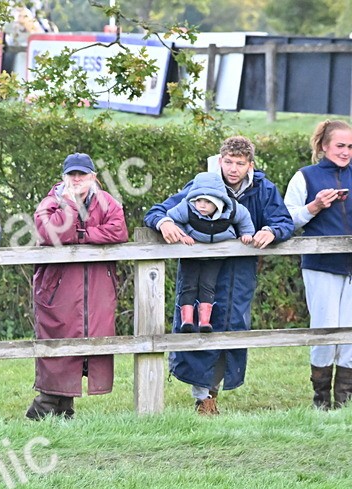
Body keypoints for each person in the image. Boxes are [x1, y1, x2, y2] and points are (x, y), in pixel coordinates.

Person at [144, 135, 293, 415]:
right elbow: (158, 211)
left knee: (231, 326)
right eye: (228, 162)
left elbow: (283, 221)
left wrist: (271, 231)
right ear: (220, 160)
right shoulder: (203, 184)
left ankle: (212, 393)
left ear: (250, 165)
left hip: (240, 272)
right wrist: (164, 223)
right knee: (197, 325)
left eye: (240, 163)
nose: (233, 169)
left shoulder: (263, 189)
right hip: (200, 272)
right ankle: (202, 397)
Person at [28, 153, 129, 420]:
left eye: (82, 174)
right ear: (63, 177)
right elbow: (51, 233)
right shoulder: (51, 202)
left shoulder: (107, 202)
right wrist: (70, 205)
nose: (76, 179)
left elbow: (119, 230)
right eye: (71, 174)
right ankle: (44, 409)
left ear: (93, 177)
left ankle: (62, 411)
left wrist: (82, 235)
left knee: (88, 346)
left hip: (96, 288)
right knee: (58, 345)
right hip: (58, 289)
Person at [284, 119, 352, 410]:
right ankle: (321, 400)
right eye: (340, 145)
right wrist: (315, 206)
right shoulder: (305, 176)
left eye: (351, 146)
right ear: (324, 146)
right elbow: (286, 220)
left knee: (350, 332)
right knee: (325, 329)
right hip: (321, 264)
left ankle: (345, 401)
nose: (346, 152)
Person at [159, 171, 255, 333]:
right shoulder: (187, 207)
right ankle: (187, 321)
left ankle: (204, 321)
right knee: (188, 286)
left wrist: (246, 234)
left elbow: (244, 218)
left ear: (218, 202)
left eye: (208, 202)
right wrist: (182, 235)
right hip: (191, 254)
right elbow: (173, 219)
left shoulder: (231, 209)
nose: (202, 205)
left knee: (207, 286)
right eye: (199, 200)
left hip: (215, 256)